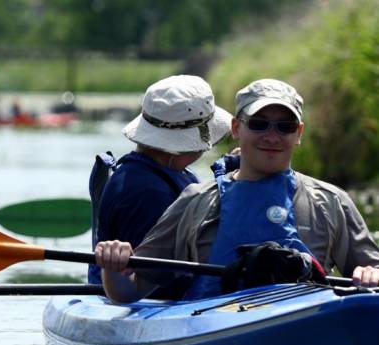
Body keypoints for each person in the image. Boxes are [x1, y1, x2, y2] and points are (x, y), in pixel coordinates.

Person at [95, 79, 379, 303]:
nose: (272, 136)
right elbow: (127, 292)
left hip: (307, 330)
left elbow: (374, 272)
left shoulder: (332, 201)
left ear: (299, 133)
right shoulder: (195, 201)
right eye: (258, 124)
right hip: (216, 337)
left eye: (285, 126)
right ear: (236, 128)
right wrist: (113, 263)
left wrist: (370, 274)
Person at [88, 75, 232, 298]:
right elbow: (158, 284)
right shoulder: (148, 193)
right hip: (149, 306)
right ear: (178, 148)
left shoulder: (160, 171)